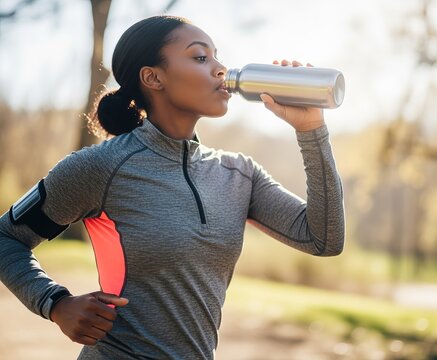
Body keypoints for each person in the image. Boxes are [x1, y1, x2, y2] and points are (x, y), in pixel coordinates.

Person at [0, 15, 345, 359]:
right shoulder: (101, 166)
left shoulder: (239, 174)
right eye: (200, 57)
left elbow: (323, 238)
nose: (220, 68)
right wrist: (56, 303)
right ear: (153, 77)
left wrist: (310, 129)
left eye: (216, 56)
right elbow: (6, 238)